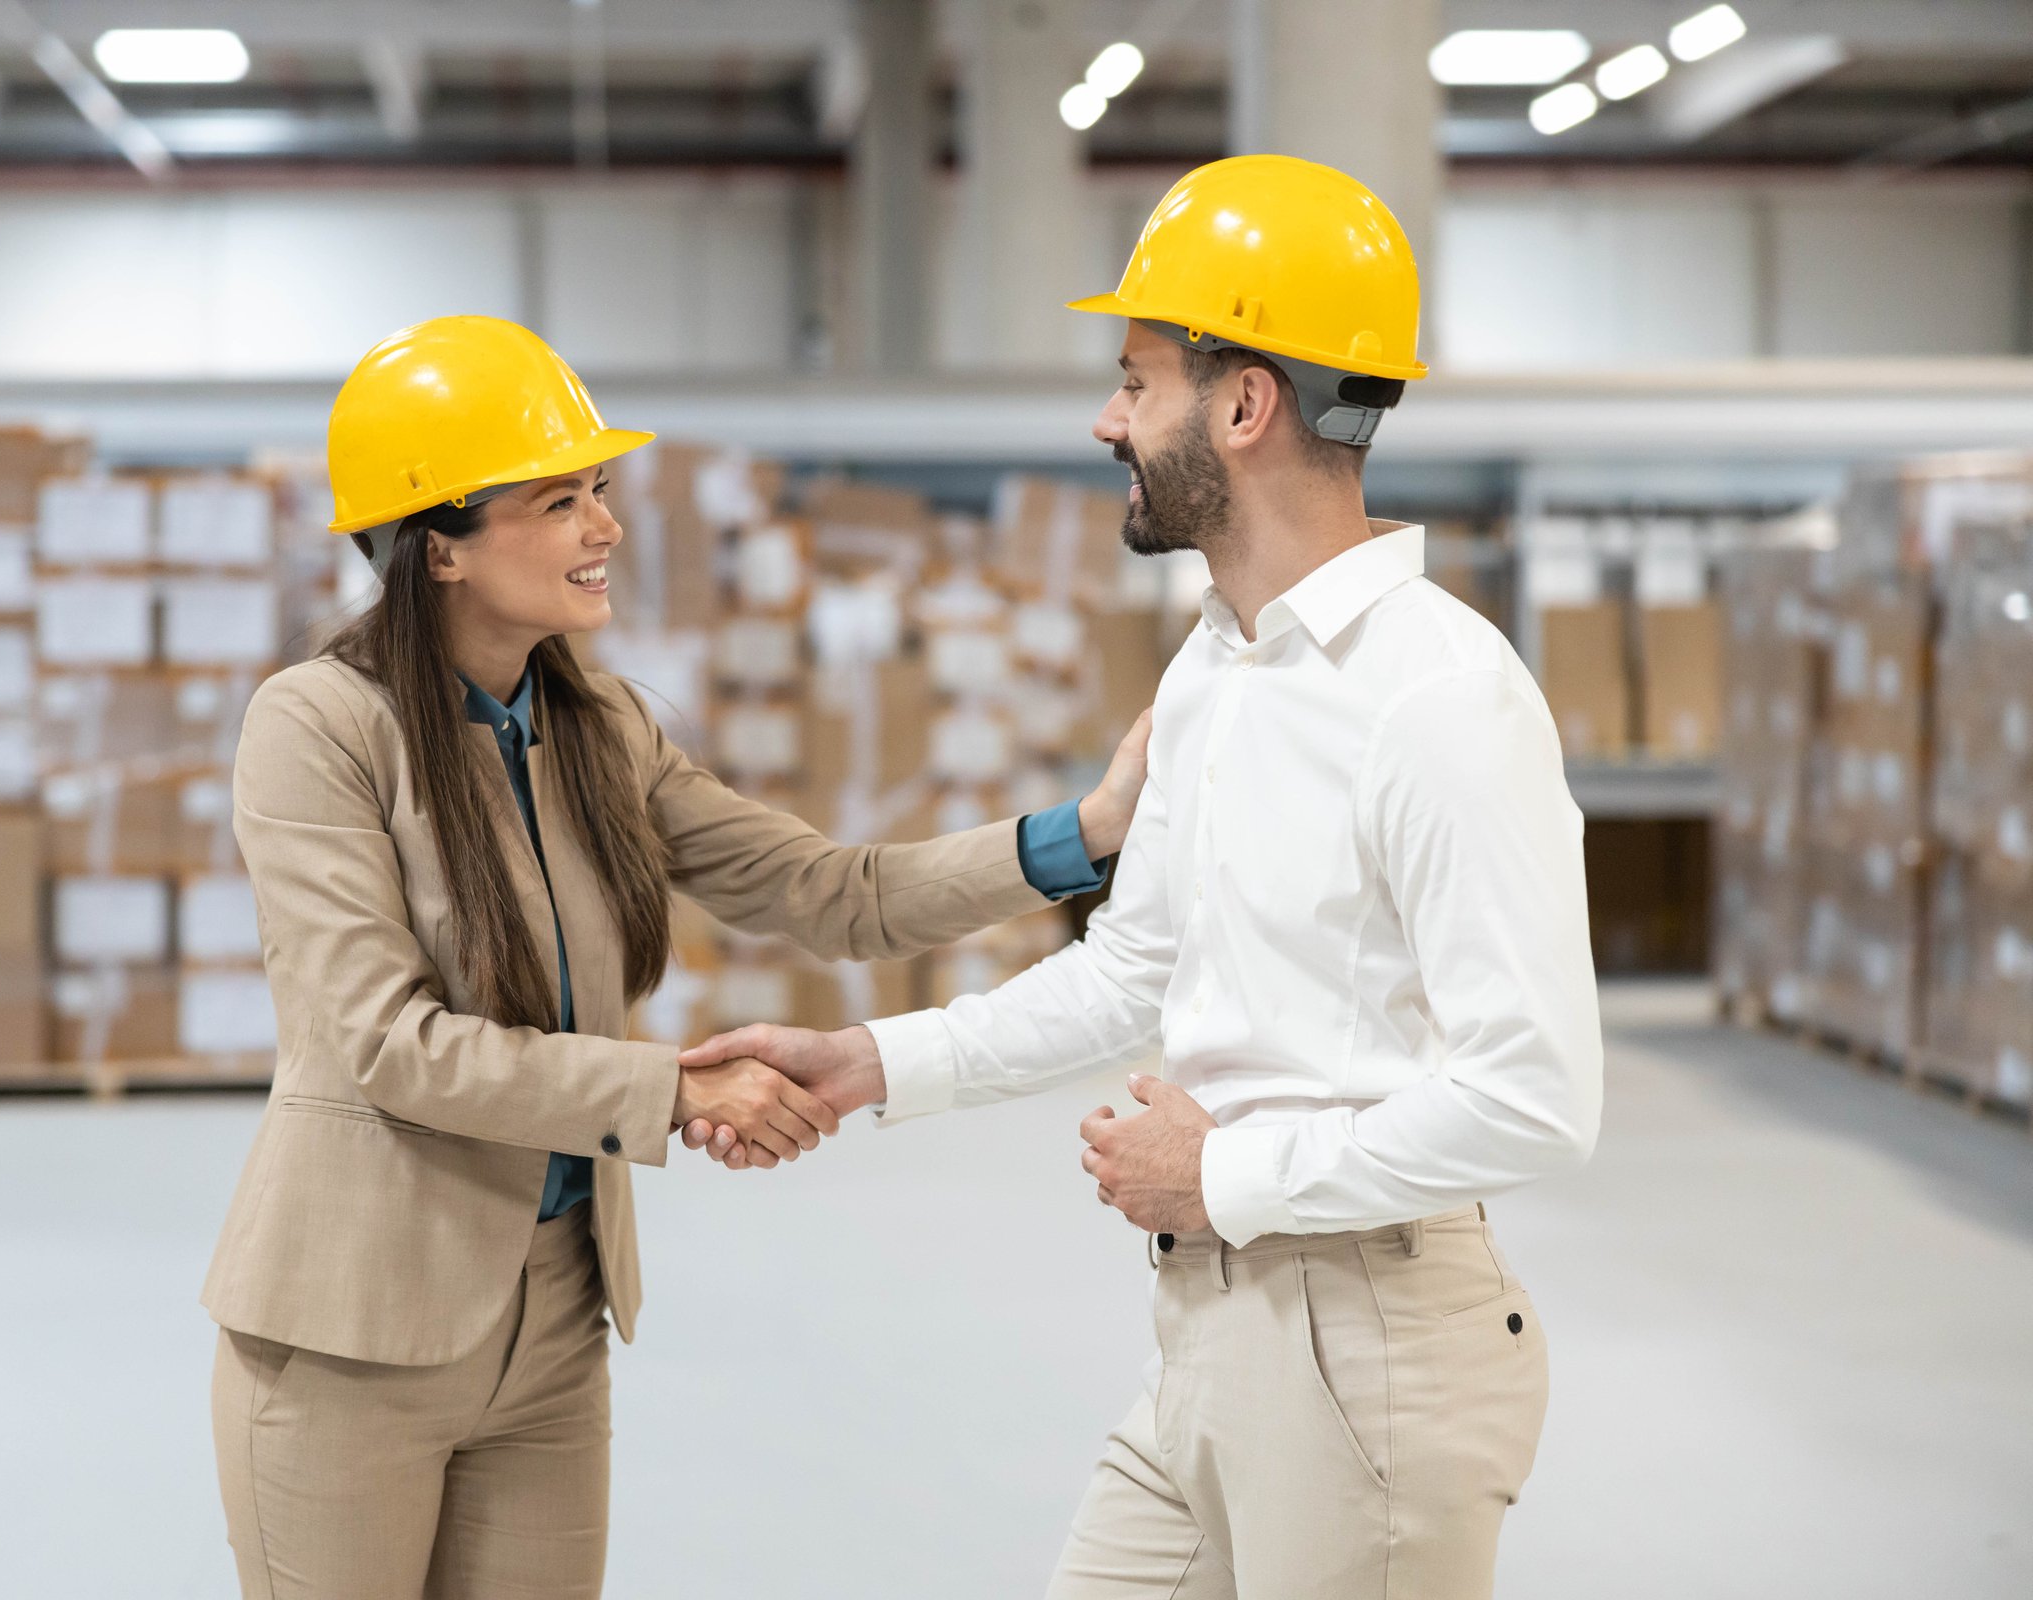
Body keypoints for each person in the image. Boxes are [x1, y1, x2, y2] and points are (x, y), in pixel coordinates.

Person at [678, 156, 1605, 1597]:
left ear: (1244, 407)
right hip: (1210, 1324)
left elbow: (1533, 1096)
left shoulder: (1440, 697)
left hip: (1362, 1343)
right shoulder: (1214, 669)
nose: (1107, 421)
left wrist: (1218, 1170)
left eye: (1137, 380)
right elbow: (1133, 970)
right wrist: (867, 1061)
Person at [198, 313, 1154, 1599]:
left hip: (551, 1326)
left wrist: (1078, 835)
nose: (607, 527)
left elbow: (832, 893)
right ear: (441, 548)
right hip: (352, 1329)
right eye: (560, 501)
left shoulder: (601, 728)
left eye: (599, 491)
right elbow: (385, 1045)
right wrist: (678, 1089)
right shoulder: (316, 726)